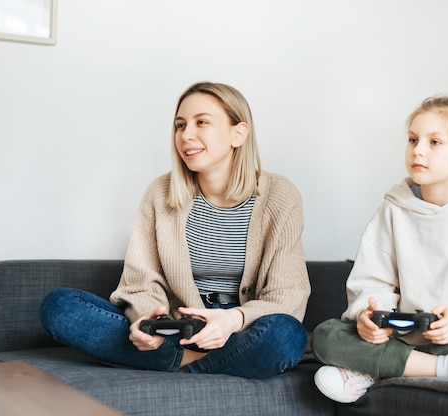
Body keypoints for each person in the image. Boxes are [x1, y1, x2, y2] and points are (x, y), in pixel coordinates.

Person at [40, 81, 310, 379]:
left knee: (287, 336)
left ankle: (175, 363)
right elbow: (140, 280)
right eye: (180, 125)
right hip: (174, 329)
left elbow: (288, 294)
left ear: (239, 133)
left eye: (201, 122)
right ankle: (196, 361)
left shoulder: (280, 195)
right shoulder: (160, 193)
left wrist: (232, 319)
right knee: (60, 306)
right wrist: (146, 320)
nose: (186, 135)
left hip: (240, 330)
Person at [311, 96, 448, 403]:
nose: (418, 150)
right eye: (413, 139)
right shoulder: (392, 210)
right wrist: (369, 318)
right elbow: (371, 283)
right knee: (326, 335)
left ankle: (378, 368)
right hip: (399, 333)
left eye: (435, 142)